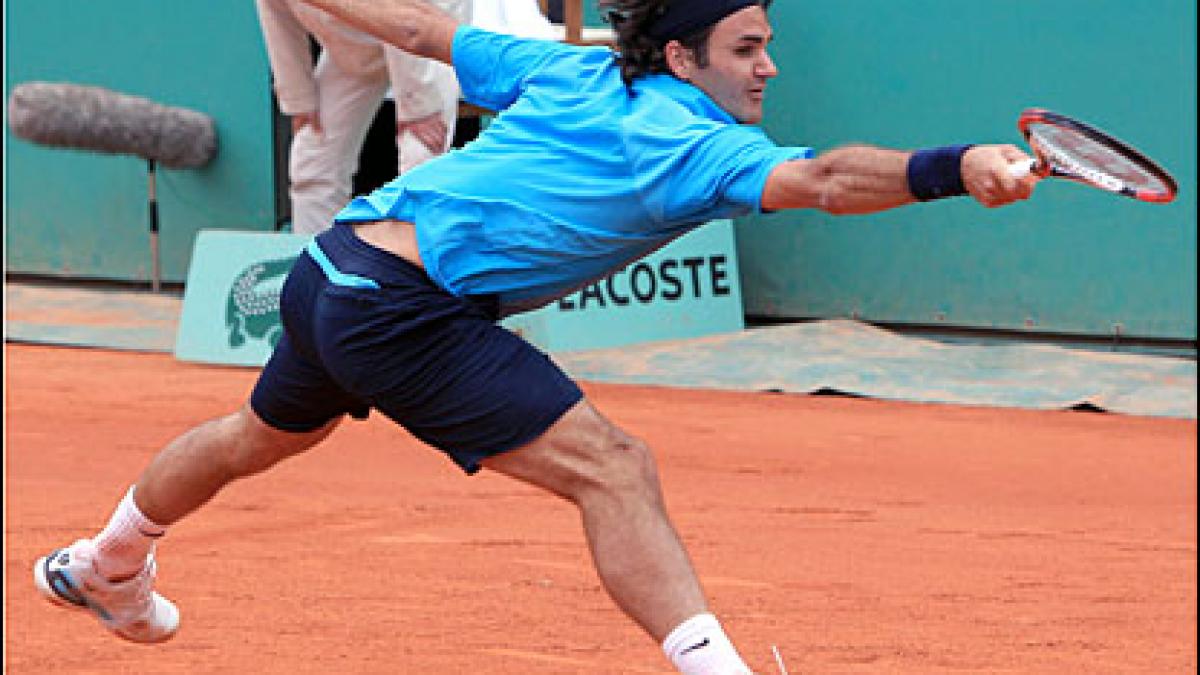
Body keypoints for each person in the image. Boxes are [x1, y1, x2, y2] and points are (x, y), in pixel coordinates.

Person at [32, 0, 1038, 672]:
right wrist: (954, 167)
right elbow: (822, 181)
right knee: (614, 468)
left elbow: (420, 27)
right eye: (746, 48)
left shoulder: (571, 71)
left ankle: (105, 561)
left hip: (333, 266)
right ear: (681, 56)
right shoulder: (690, 144)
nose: (768, 65)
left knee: (254, 435)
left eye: (767, 44)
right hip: (401, 306)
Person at [254, 0, 470, 235]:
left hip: (426, 39)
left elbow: (406, 14)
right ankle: (315, 251)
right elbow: (274, 12)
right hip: (353, 46)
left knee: (421, 152)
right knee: (312, 154)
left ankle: (411, 256)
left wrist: (420, 106)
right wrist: (300, 101)